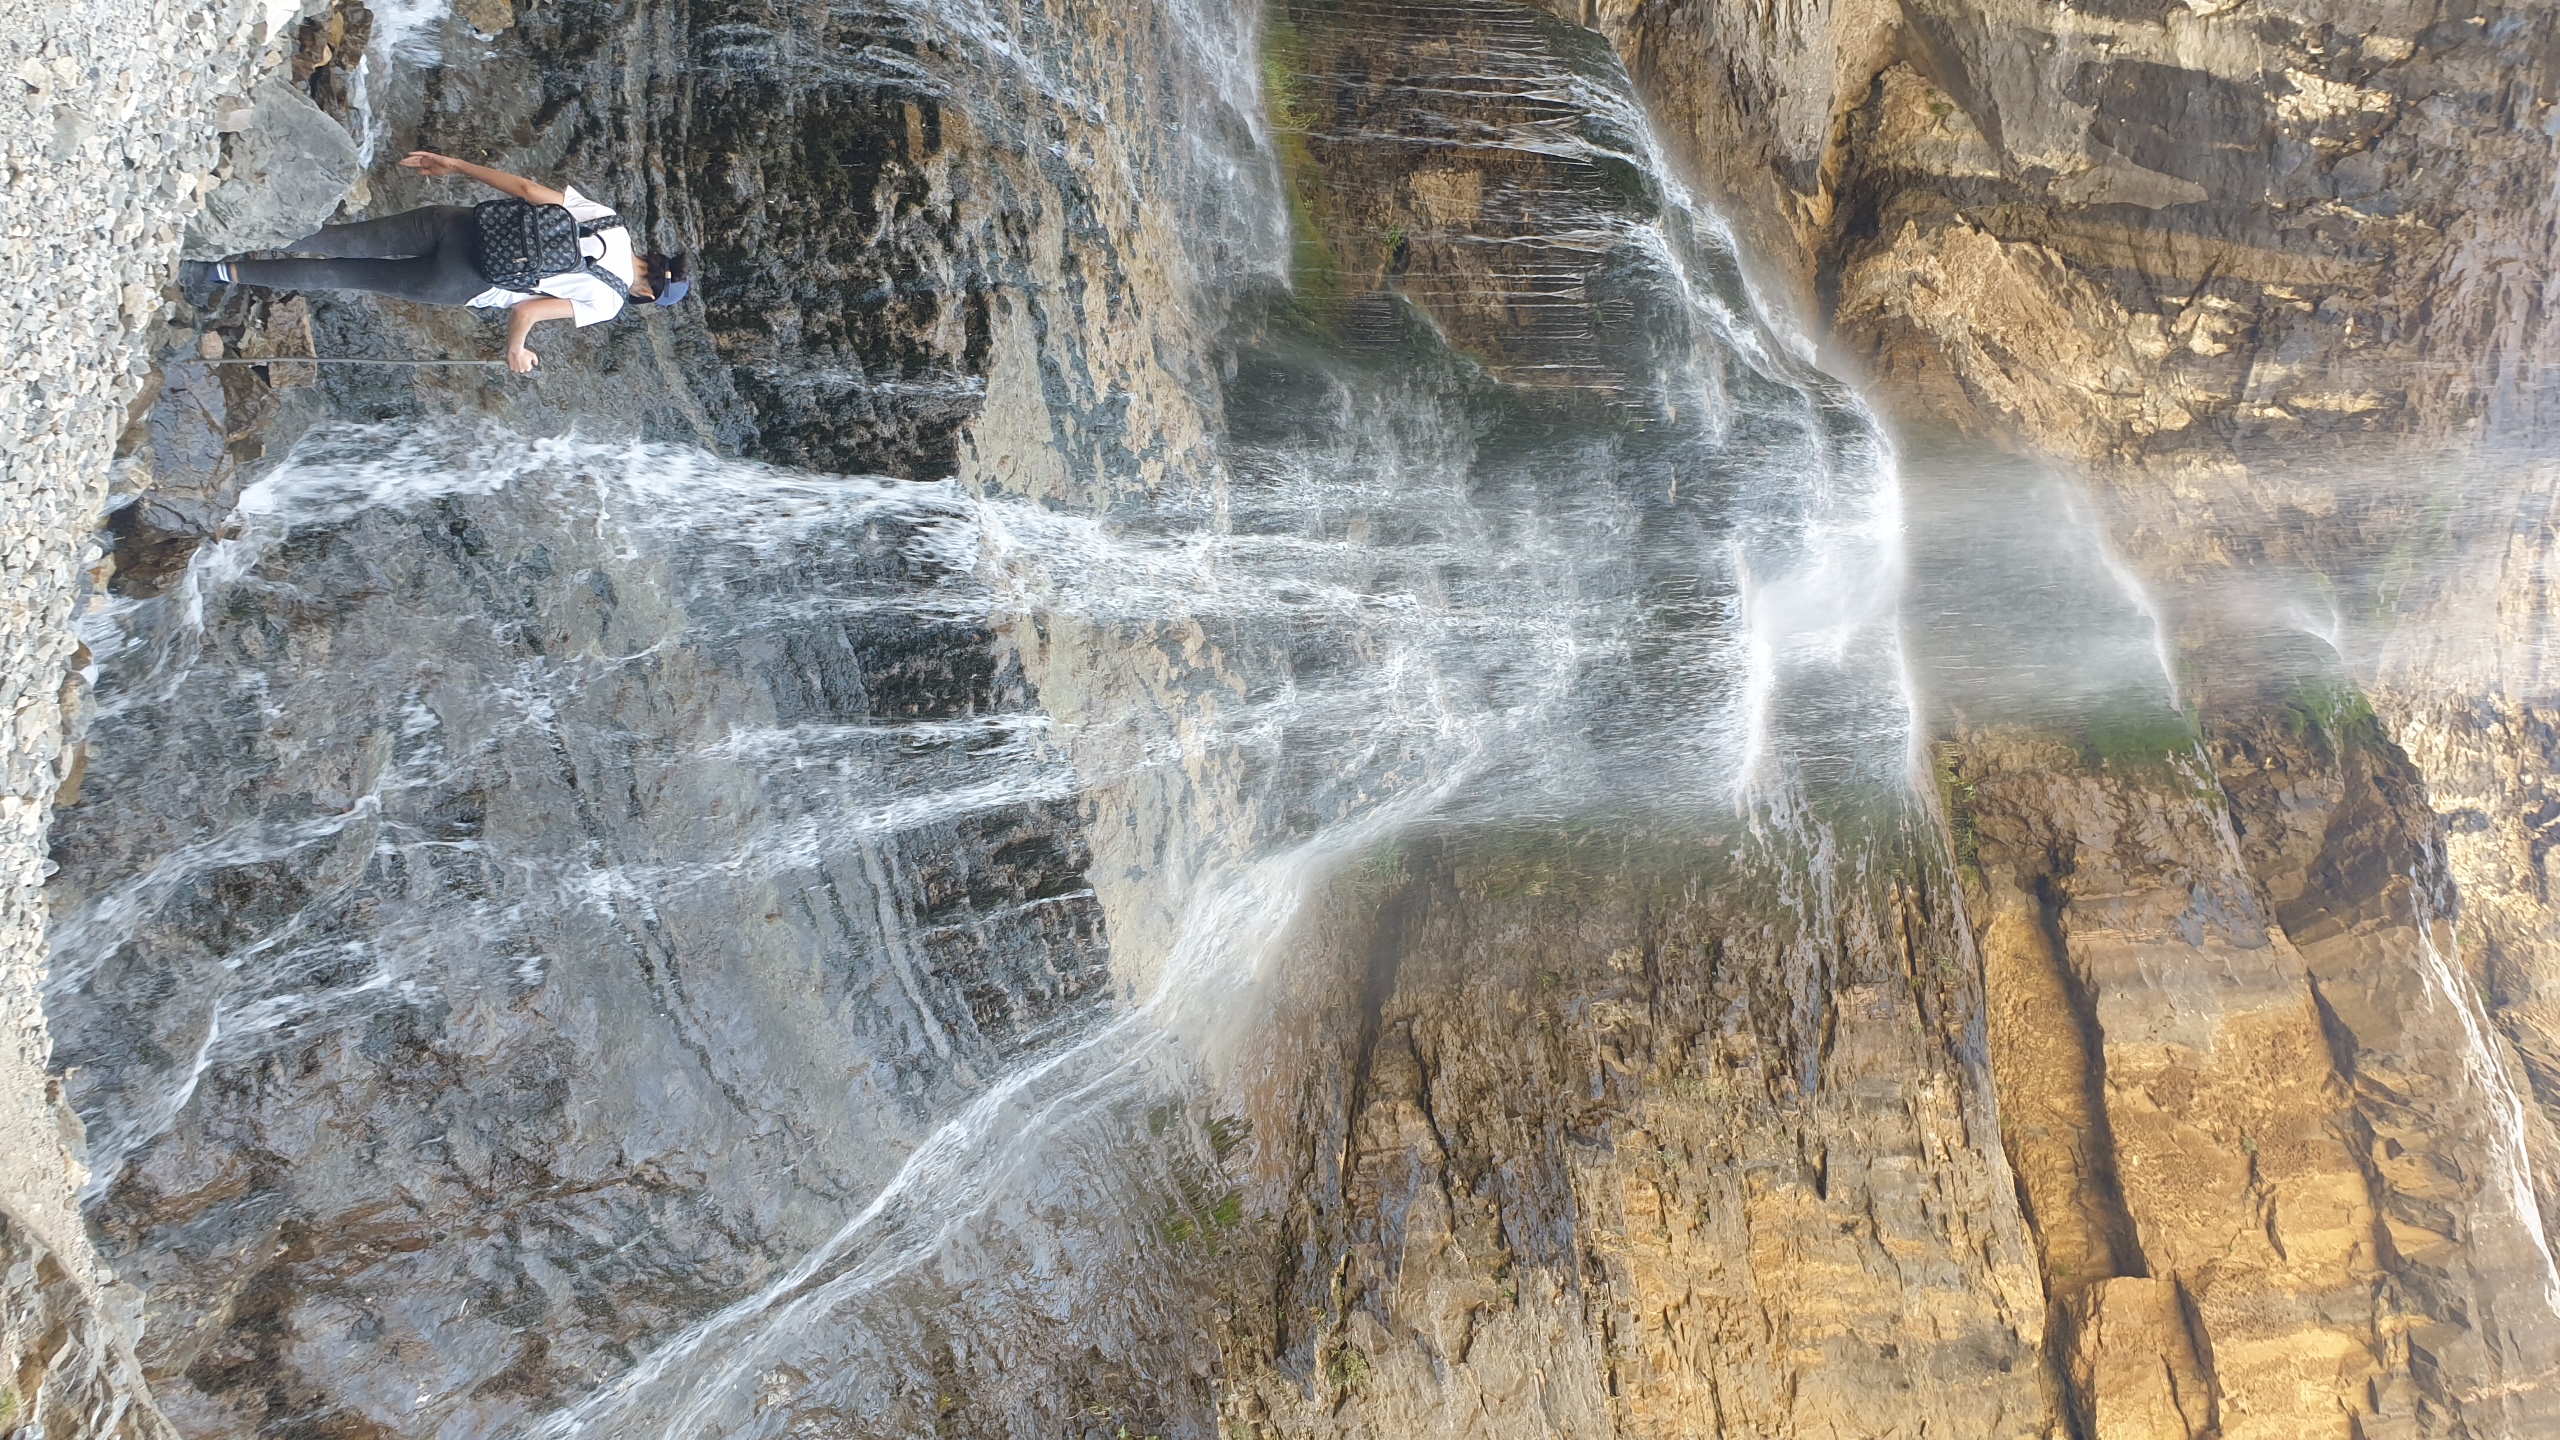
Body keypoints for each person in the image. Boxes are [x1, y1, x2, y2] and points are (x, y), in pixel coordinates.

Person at [184, 151, 691, 373]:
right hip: (463, 282)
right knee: (344, 274)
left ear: (651, 256)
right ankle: (219, 271)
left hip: (459, 224)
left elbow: (526, 190)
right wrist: (516, 350)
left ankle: (217, 226)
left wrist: (454, 164)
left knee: (341, 237)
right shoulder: (606, 303)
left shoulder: (610, 221)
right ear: (646, 293)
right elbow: (527, 312)